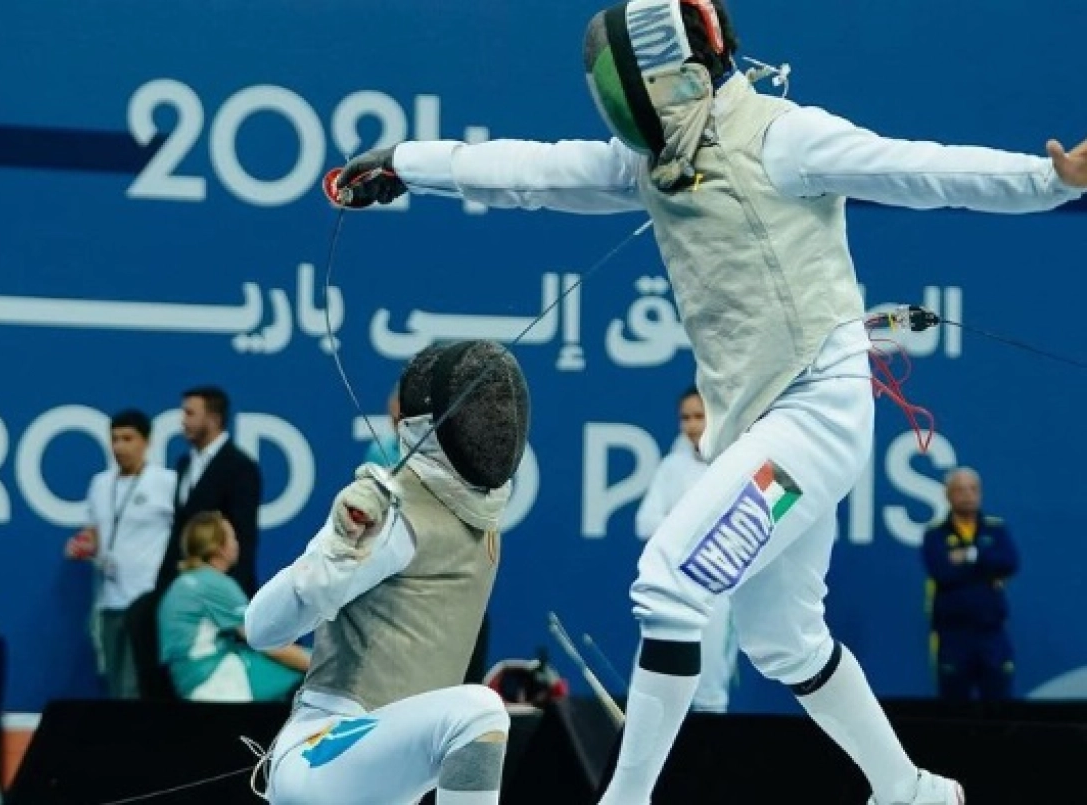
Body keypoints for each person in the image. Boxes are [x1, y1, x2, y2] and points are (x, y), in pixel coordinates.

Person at [332, 1, 1087, 801]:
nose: (627, 113)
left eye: (635, 93)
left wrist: (1049, 182)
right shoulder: (649, 163)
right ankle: (911, 789)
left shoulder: (782, 135)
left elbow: (918, 169)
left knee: (669, 582)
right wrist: (406, 163)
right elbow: (531, 171)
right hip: (751, 427)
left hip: (816, 411)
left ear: (684, 74)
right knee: (785, 639)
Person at [243, 340, 529, 805]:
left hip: (385, 776)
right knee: (478, 711)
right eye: (482, 410)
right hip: (323, 750)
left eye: (501, 408)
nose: (497, 424)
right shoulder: (390, 513)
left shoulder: (481, 512)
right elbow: (260, 628)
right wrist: (336, 551)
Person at [635, 387, 737, 713]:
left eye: (700, 416)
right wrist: (693, 529)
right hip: (671, 590)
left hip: (718, 591)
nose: (692, 425)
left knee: (710, 686)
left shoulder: (738, 463)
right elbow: (644, 523)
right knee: (649, 684)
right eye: (685, 418)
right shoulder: (672, 467)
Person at [65, 408, 177, 699]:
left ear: (147, 442)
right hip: (107, 598)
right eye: (114, 439)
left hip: (146, 597)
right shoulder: (100, 484)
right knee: (113, 681)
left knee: (136, 682)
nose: (119, 447)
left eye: (128, 438)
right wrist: (84, 544)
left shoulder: (165, 482)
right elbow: (95, 531)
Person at [159, 511, 309, 702]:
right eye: (232, 537)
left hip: (189, 678)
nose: (237, 543)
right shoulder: (214, 583)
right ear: (219, 548)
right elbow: (267, 644)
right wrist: (320, 664)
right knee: (314, 668)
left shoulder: (184, 582)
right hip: (212, 679)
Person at [923, 468, 1019, 702]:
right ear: (948, 495)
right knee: (954, 712)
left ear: (980, 493)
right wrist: (986, 569)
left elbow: (1009, 562)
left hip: (991, 633)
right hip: (953, 635)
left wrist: (968, 555)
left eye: (972, 489)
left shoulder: (995, 529)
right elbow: (942, 571)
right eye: (959, 490)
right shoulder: (935, 535)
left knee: (999, 707)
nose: (967, 495)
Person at [156, 385, 262, 598]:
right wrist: (163, 584)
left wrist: (233, 598)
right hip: (181, 586)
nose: (183, 421)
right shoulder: (184, 463)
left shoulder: (240, 467)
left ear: (213, 419)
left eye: (190, 413)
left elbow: (244, 537)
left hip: (218, 593)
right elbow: (179, 528)